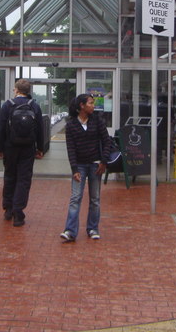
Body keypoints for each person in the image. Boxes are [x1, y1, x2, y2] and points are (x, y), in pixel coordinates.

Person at [60, 93, 111, 242]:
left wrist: (103, 161)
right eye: (90, 103)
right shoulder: (71, 125)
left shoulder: (97, 121)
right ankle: (70, 231)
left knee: (95, 198)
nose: (93, 106)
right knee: (75, 198)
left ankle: (93, 228)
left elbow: (106, 141)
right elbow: (71, 149)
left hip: (96, 165)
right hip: (80, 166)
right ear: (81, 106)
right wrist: (74, 169)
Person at [0, 79, 44, 226]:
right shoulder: (34, 106)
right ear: (28, 91)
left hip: (10, 147)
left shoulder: (7, 105)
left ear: (17, 89)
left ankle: (8, 209)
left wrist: (0, 148)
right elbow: (40, 129)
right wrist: (40, 148)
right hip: (28, 148)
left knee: (10, 176)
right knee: (23, 179)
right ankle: (19, 213)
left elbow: (1, 129)